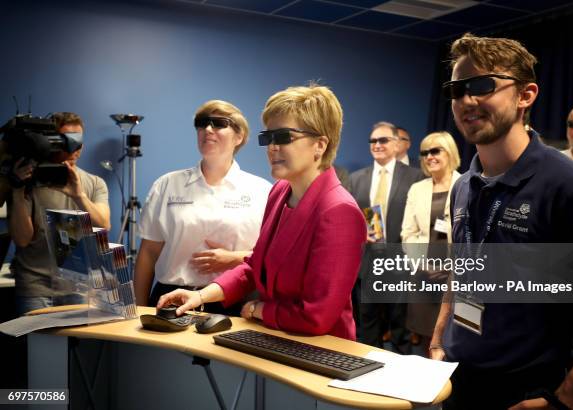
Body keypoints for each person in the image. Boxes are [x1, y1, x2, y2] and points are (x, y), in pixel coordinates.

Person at [430, 33, 573, 409]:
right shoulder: (463, 186)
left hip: (528, 390)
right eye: (456, 89)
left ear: (525, 96)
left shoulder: (571, 187)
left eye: (482, 86)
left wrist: (567, 399)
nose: (467, 99)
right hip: (457, 377)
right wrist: (437, 340)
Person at [158, 84, 366, 340]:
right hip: (278, 337)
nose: (271, 148)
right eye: (268, 138)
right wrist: (201, 296)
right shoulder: (279, 192)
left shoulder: (339, 211)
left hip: (322, 352)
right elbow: (256, 266)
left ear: (320, 145)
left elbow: (317, 316)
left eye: (283, 137)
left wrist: (259, 309)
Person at [134, 100, 271, 312]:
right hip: (170, 299)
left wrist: (234, 259)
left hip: (235, 302)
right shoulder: (167, 185)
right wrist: (139, 309)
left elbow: (271, 256)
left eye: (219, 123)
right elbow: (149, 253)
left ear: (239, 136)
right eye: (202, 123)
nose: (208, 129)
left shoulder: (262, 191)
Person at [9, 112, 110, 315]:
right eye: (67, 139)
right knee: (39, 346)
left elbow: (103, 226)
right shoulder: (28, 181)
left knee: (77, 346)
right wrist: (18, 190)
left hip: (78, 285)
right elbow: (21, 239)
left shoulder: (94, 183)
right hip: (35, 286)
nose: (76, 146)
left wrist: (79, 195)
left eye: (79, 139)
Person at [349, 121, 422, 352]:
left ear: (396, 143)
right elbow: (350, 219)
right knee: (368, 326)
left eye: (383, 140)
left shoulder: (415, 176)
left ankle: (400, 378)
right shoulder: (356, 178)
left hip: (399, 259)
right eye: (373, 141)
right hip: (367, 261)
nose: (377, 145)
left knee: (400, 328)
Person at [400, 131, 461, 353]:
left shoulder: (466, 185)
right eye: (425, 152)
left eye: (435, 150)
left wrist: (452, 267)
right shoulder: (417, 189)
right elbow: (407, 234)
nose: (429, 156)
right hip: (423, 273)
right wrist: (423, 263)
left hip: (455, 276)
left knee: (450, 338)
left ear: (450, 152)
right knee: (424, 338)